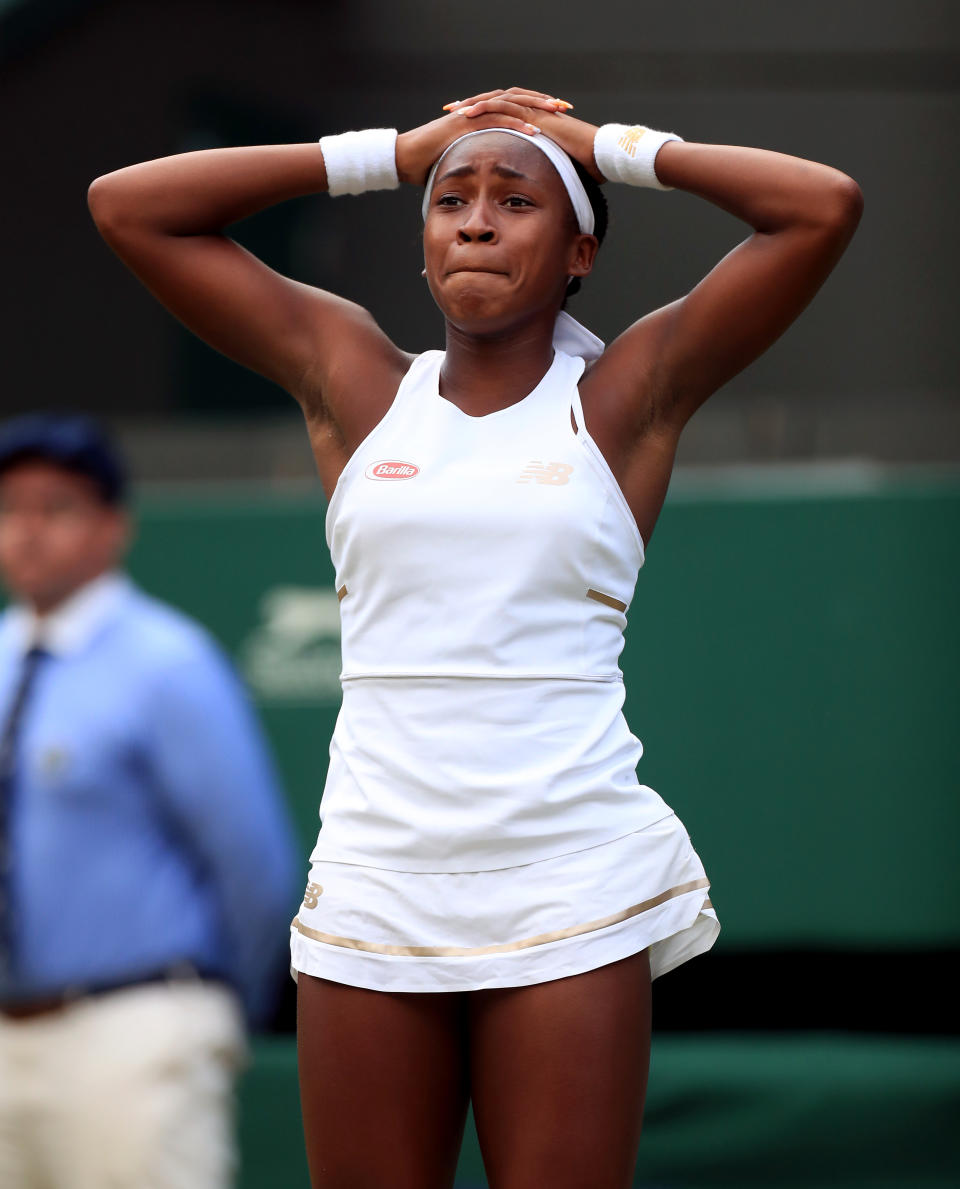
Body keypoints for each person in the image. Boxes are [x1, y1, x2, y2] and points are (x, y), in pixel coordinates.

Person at [87, 87, 862, 1189]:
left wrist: (606, 147)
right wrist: (390, 153)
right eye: (451, 200)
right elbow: (128, 209)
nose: (477, 221)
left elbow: (821, 208)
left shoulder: (623, 396)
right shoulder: (353, 378)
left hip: (569, 880)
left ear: (579, 248)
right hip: (375, 877)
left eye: (517, 200)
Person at [0, 414, 299, 1189]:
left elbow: (253, 865)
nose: (27, 532)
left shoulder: (168, 661)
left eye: (55, 508)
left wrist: (203, 1008)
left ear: (113, 528)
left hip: (135, 1026)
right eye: (9, 509)